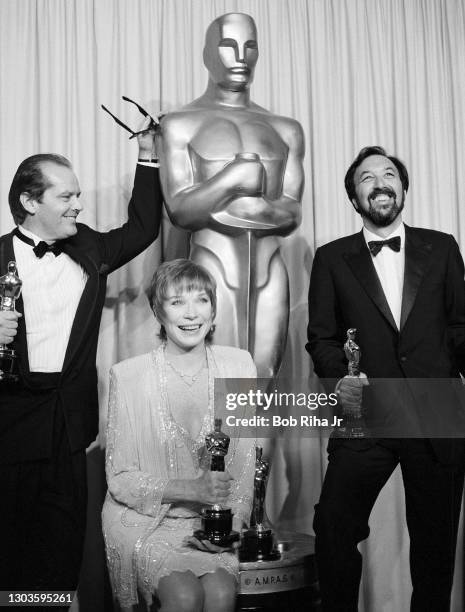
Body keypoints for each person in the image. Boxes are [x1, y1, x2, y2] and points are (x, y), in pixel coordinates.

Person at [0, 120, 162, 598]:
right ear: (30, 202)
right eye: (66, 197)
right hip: (10, 425)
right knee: (11, 550)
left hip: (70, 427)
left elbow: (143, 227)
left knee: (61, 548)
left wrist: (148, 155)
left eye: (78, 196)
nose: (79, 204)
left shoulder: (88, 247)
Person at [306, 146, 465, 611]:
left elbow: (460, 328)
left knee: (435, 550)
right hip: (367, 416)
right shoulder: (332, 258)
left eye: (389, 174)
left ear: (402, 187)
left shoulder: (442, 247)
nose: (380, 182)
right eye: (367, 178)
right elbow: (322, 338)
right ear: (354, 198)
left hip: (436, 414)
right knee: (334, 527)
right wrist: (341, 379)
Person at [102, 258, 257, 612]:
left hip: (214, 521)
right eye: (177, 302)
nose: (191, 314)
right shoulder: (128, 376)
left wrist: (225, 527)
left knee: (219, 594)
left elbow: (246, 464)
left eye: (201, 300)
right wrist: (190, 489)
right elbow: (121, 479)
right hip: (145, 521)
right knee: (185, 597)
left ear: (214, 309)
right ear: (159, 312)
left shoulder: (239, 366)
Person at [159, 12, 305, 377]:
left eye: (250, 46)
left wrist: (219, 206)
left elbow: (291, 214)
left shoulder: (285, 129)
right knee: (216, 387)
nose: (240, 56)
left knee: (264, 381)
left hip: (271, 269)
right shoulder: (180, 124)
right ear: (208, 55)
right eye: (228, 45)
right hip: (211, 265)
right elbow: (180, 210)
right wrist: (232, 180)